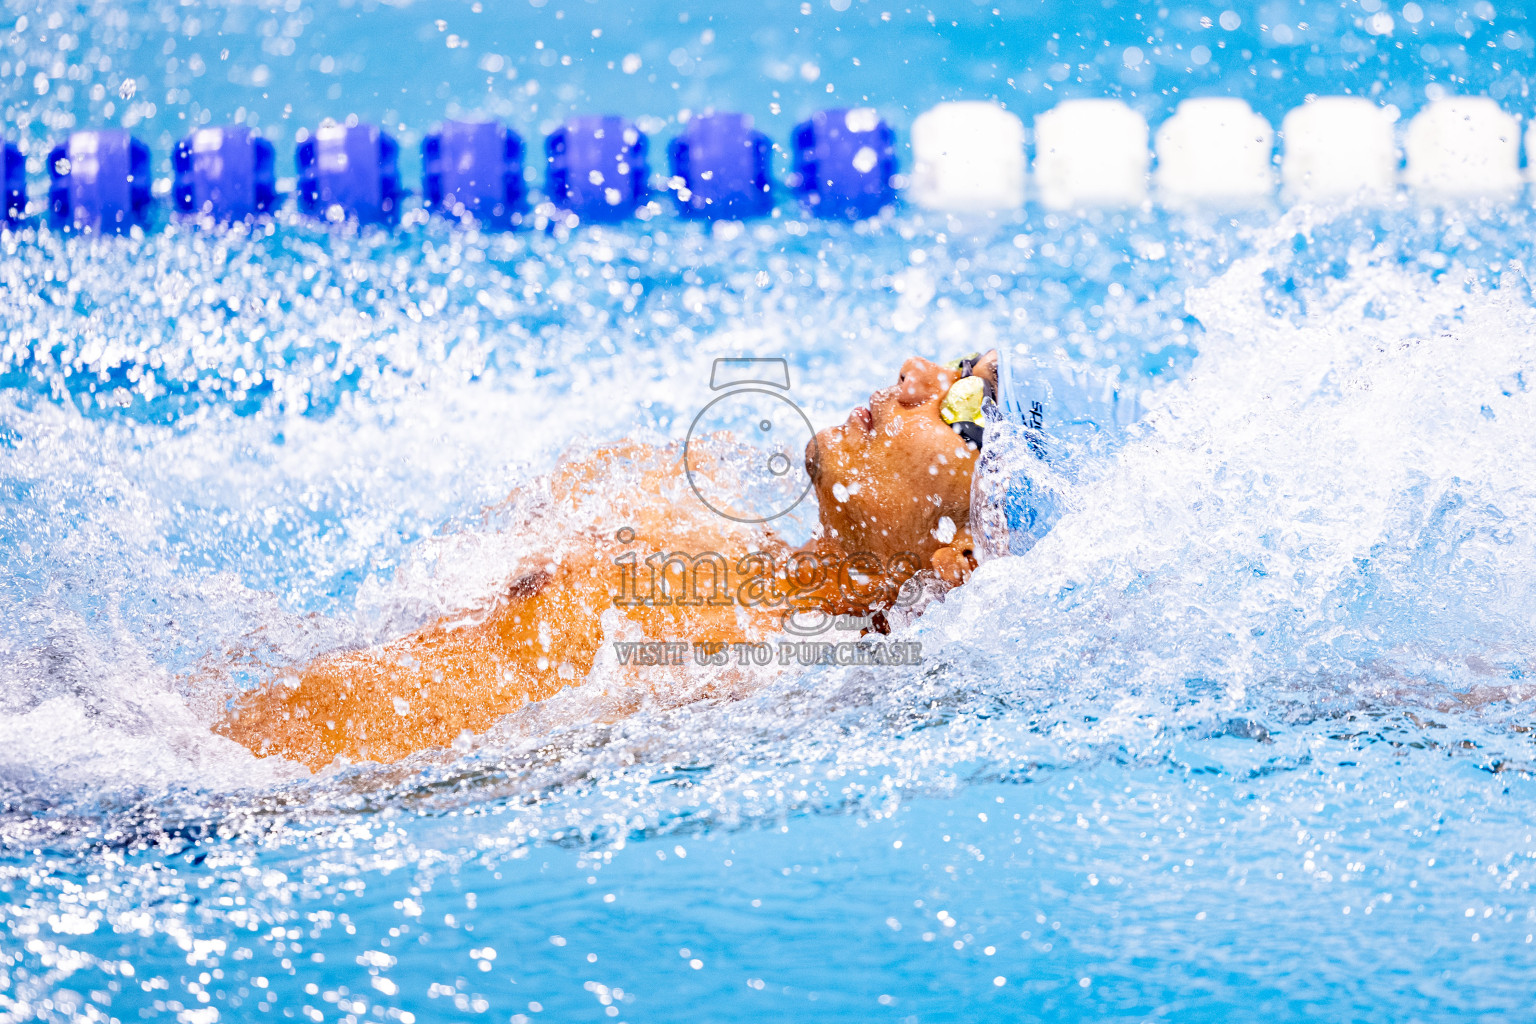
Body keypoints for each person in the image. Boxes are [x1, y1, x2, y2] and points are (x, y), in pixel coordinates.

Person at [217, 351, 1002, 770]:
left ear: (956, 558)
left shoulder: (761, 668)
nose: (917, 375)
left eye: (963, 404)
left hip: (214, 805)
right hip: (192, 736)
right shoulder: (725, 546)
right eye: (955, 359)